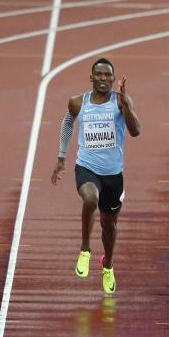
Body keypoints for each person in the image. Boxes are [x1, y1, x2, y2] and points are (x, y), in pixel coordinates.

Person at [51, 57, 141, 294]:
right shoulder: (77, 102)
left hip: (113, 174)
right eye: (99, 74)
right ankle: (85, 250)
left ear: (113, 78)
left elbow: (136, 131)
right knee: (90, 199)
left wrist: (125, 104)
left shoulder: (121, 101)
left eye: (107, 75)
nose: (103, 79)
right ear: (91, 77)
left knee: (109, 225)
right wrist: (61, 157)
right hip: (86, 168)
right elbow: (67, 122)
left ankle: (108, 265)